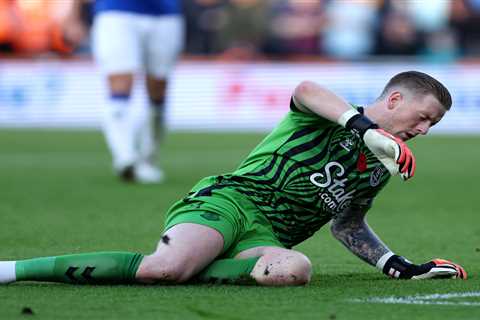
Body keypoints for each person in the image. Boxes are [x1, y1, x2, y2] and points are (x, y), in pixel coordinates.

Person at [0, 71, 467, 286]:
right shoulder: (331, 114)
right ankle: (13, 270)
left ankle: (196, 266)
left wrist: (395, 264)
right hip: (230, 202)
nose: (423, 130)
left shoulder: (381, 166)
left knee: (294, 270)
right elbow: (304, 90)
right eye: (423, 117)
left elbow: (347, 224)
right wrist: (360, 127)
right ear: (394, 99)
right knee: (162, 270)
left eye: (434, 125)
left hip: (265, 238)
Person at [75, 0, 184, 183]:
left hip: (165, 15)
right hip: (116, 11)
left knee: (158, 90)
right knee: (119, 84)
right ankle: (125, 158)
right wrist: (72, 11)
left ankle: (148, 158)